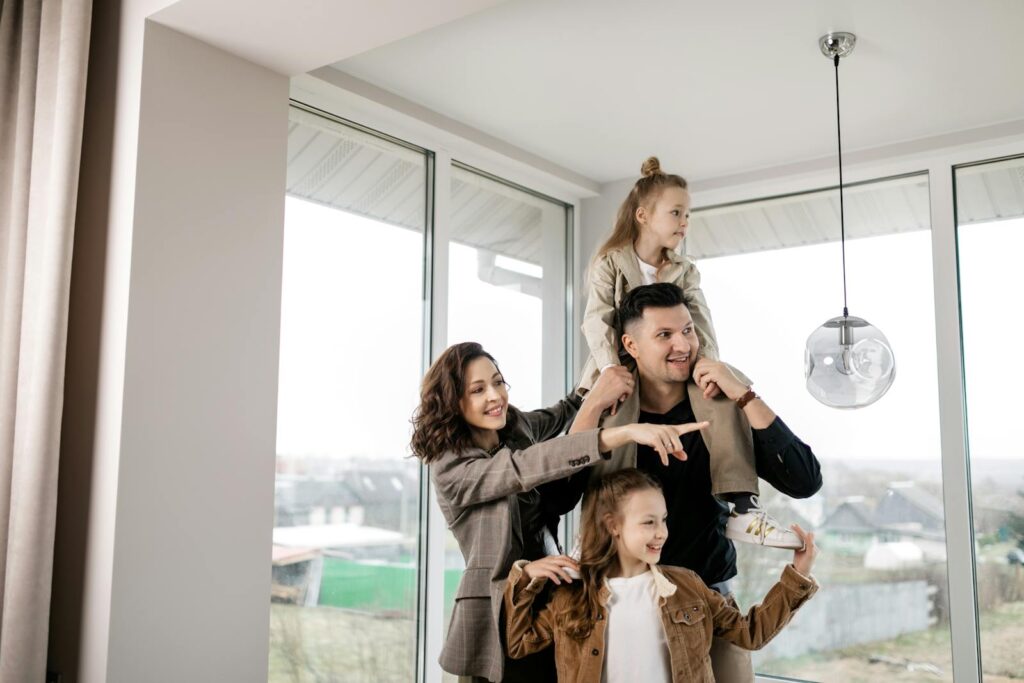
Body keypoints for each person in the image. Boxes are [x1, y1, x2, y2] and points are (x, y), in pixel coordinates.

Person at [410, 341, 709, 683]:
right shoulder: (451, 468)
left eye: (498, 382)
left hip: (553, 601)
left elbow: (563, 411)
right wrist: (624, 433)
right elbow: (524, 468)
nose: (495, 396)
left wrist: (609, 365)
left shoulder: (514, 427)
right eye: (478, 390)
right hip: (498, 615)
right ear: (453, 401)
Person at [593, 283, 823, 682]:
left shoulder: (720, 405)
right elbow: (558, 491)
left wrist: (744, 395)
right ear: (630, 344)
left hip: (710, 600)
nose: (682, 344)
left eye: (687, 330)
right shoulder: (609, 412)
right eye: (664, 335)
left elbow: (805, 480)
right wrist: (595, 407)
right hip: (623, 600)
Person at [579, 156, 773, 535]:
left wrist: (710, 367)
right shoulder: (611, 262)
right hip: (620, 366)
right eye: (676, 213)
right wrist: (609, 371)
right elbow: (596, 319)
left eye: (688, 215)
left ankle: (740, 503)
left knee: (720, 398)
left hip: (676, 366)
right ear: (643, 216)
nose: (685, 223)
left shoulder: (685, 269)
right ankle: (596, 527)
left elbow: (700, 320)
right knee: (611, 427)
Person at [503, 468, 819, 683]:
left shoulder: (687, 585)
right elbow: (518, 644)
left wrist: (798, 575)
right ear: (613, 525)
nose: (662, 533)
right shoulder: (572, 595)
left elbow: (752, 633)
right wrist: (526, 575)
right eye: (649, 522)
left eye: (664, 520)